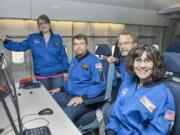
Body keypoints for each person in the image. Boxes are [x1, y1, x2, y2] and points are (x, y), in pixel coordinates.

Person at [106, 44, 176, 135]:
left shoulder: (163, 94)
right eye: (138, 60)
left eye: (148, 61)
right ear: (132, 62)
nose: (142, 65)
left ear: (156, 64)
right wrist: (111, 129)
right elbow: (116, 112)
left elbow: (159, 131)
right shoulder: (128, 83)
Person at [0, 15, 69, 90]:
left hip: (57, 74)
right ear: (38, 26)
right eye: (40, 24)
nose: (43, 25)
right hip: (42, 75)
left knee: (58, 96)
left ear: (49, 24)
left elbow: (63, 56)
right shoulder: (33, 38)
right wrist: (5, 41)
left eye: (45, 23)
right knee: (45, 97)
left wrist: (66, 71)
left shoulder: (57, 38)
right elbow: (19, 46)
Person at [49, 33, 106, 123]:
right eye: (75, 44)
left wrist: (82, 98)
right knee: (49, 99)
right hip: (70, 95)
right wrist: (60, 89)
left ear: (87, 45)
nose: (78, 47)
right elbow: (72, 81)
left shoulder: (96, 62)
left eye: (81, 44)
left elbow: (100, 85)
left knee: (65, 115)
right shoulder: (73, 61)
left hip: (85, 100)